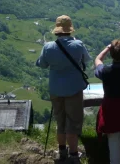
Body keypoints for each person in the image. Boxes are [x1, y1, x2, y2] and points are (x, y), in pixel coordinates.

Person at [36, 15, 91, 163]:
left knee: (60, 121)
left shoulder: (48, 47)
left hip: (55, 89)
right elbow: (86, 60)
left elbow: (41, 64)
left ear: (57, 30)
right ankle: (73, 155)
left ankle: (62, 152)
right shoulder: (78, 45)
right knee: (73, 122)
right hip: (74, 89)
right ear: (70, 30)